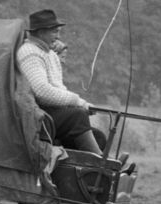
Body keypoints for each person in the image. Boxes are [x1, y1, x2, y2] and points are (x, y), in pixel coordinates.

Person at [16, 9, 103, 154]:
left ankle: (90, 171)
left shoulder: (50, 54)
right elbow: (42, 92)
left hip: (49, 113)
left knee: (99, 137)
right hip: (35, 115)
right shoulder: (29, 52)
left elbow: (59, 89)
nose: (58, 37)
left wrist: (83, 104)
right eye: (54, 32)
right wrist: (77, 102)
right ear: (41, 31)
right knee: (78, 116)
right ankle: (104, 165)